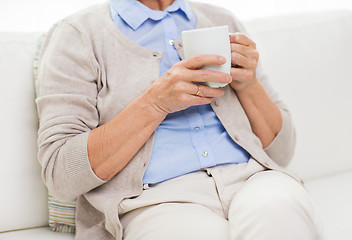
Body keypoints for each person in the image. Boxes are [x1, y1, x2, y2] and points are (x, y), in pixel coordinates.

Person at [35, 0, 323, 239]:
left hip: (252, 179)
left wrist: (249, 85)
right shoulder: (77, 35)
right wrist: (154, 103)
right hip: (155, 200)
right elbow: (61, 175)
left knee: (281, 208)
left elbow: (282, 152)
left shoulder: (220, 20)